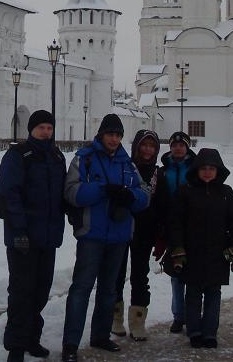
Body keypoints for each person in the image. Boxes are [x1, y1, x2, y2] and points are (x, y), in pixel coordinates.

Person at [61, 114, 150, 362]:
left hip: (119, 235)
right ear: (101, 134)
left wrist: (131, 197)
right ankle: (70, 343)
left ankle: (100, 335)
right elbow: (71, 192)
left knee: (109, 290)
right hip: (92, 234)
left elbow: (144, 193)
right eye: (110, 134)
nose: (114, 139)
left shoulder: (126, 162)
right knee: (81, 289)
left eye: (118, 135)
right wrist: (101, 190)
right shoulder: (85, 158)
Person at [0, 110, 67, 362]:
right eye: (41, 128)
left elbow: (61, 196)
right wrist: (19, 230)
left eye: (49, 127)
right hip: (22, 237)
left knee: (40, 291)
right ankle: (15, 346)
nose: (46, 132)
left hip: (48, 236)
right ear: (31, 129)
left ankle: (32, 339)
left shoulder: (57, 157)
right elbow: (9, 193)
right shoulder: (18, 155)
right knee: (21, 291)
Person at [169, 148, 233, 349]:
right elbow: (176, 223)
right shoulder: (185, 191)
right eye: (204, 168)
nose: (208, 172)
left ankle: (210, 331)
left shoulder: (225, 193)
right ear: (196, 170)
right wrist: (178, 249)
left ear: (218, 170)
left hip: (217, 254)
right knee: (192, 293)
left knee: (213, 293)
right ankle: (194, 330)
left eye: (212, 168)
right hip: (192, 253)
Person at [112, 129, 161, 341]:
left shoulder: (159, 174)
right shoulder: (125, 167)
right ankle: (115, 318)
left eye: (152, 146)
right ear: (137, 146)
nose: (147, 150)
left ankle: (138, 321)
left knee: (140, 277)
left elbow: (162, 204)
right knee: (117, 274)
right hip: (122, 227)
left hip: (145, 231)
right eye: (144, 145)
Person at [153, 130, 196, 333]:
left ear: (187, 147)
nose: (178, 148)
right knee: (176, 273)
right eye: (174, 145)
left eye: (182, 145)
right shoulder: (163, 171)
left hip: (193, 227)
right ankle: (179, 315)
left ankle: (194, 313)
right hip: (171, 228)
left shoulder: (195, 169)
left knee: (194, 274)